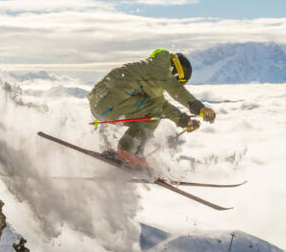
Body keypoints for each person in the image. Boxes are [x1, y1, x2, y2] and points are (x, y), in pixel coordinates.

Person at [86, 49, 215, 170]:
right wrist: (200, 109)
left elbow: (161, 104)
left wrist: (184, 121)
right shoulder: (160, 69)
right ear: (175, 72)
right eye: (178, 80)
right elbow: (176, 91)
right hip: (111, 103)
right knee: (155, 112)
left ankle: (129, 152)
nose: (176, 83)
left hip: (101, 104)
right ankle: (128, 151)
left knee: (154, 107)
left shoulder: (151, 70)